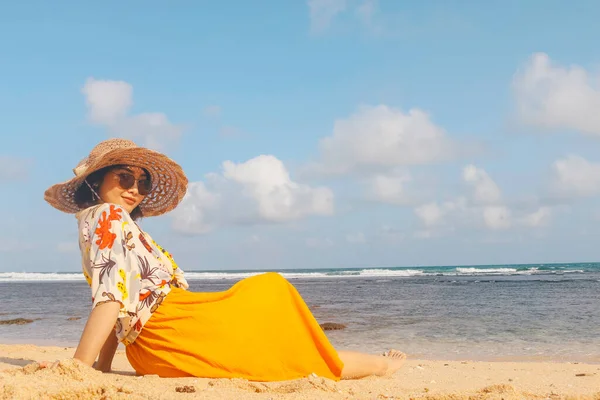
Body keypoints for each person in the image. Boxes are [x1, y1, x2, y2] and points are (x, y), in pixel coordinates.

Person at [43, 138, 406, 381]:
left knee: (280, 350)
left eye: (144, 183)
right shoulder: (107, 216)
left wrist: (102, 367)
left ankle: (379, 364)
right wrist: (79, 370)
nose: (135, 189)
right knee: (272, 295)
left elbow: (117, 297)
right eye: (124, 177)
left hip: (153, 350)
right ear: (95, 180)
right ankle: (382, 366)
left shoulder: (104, 222)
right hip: (173, 329)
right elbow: (111, 298)